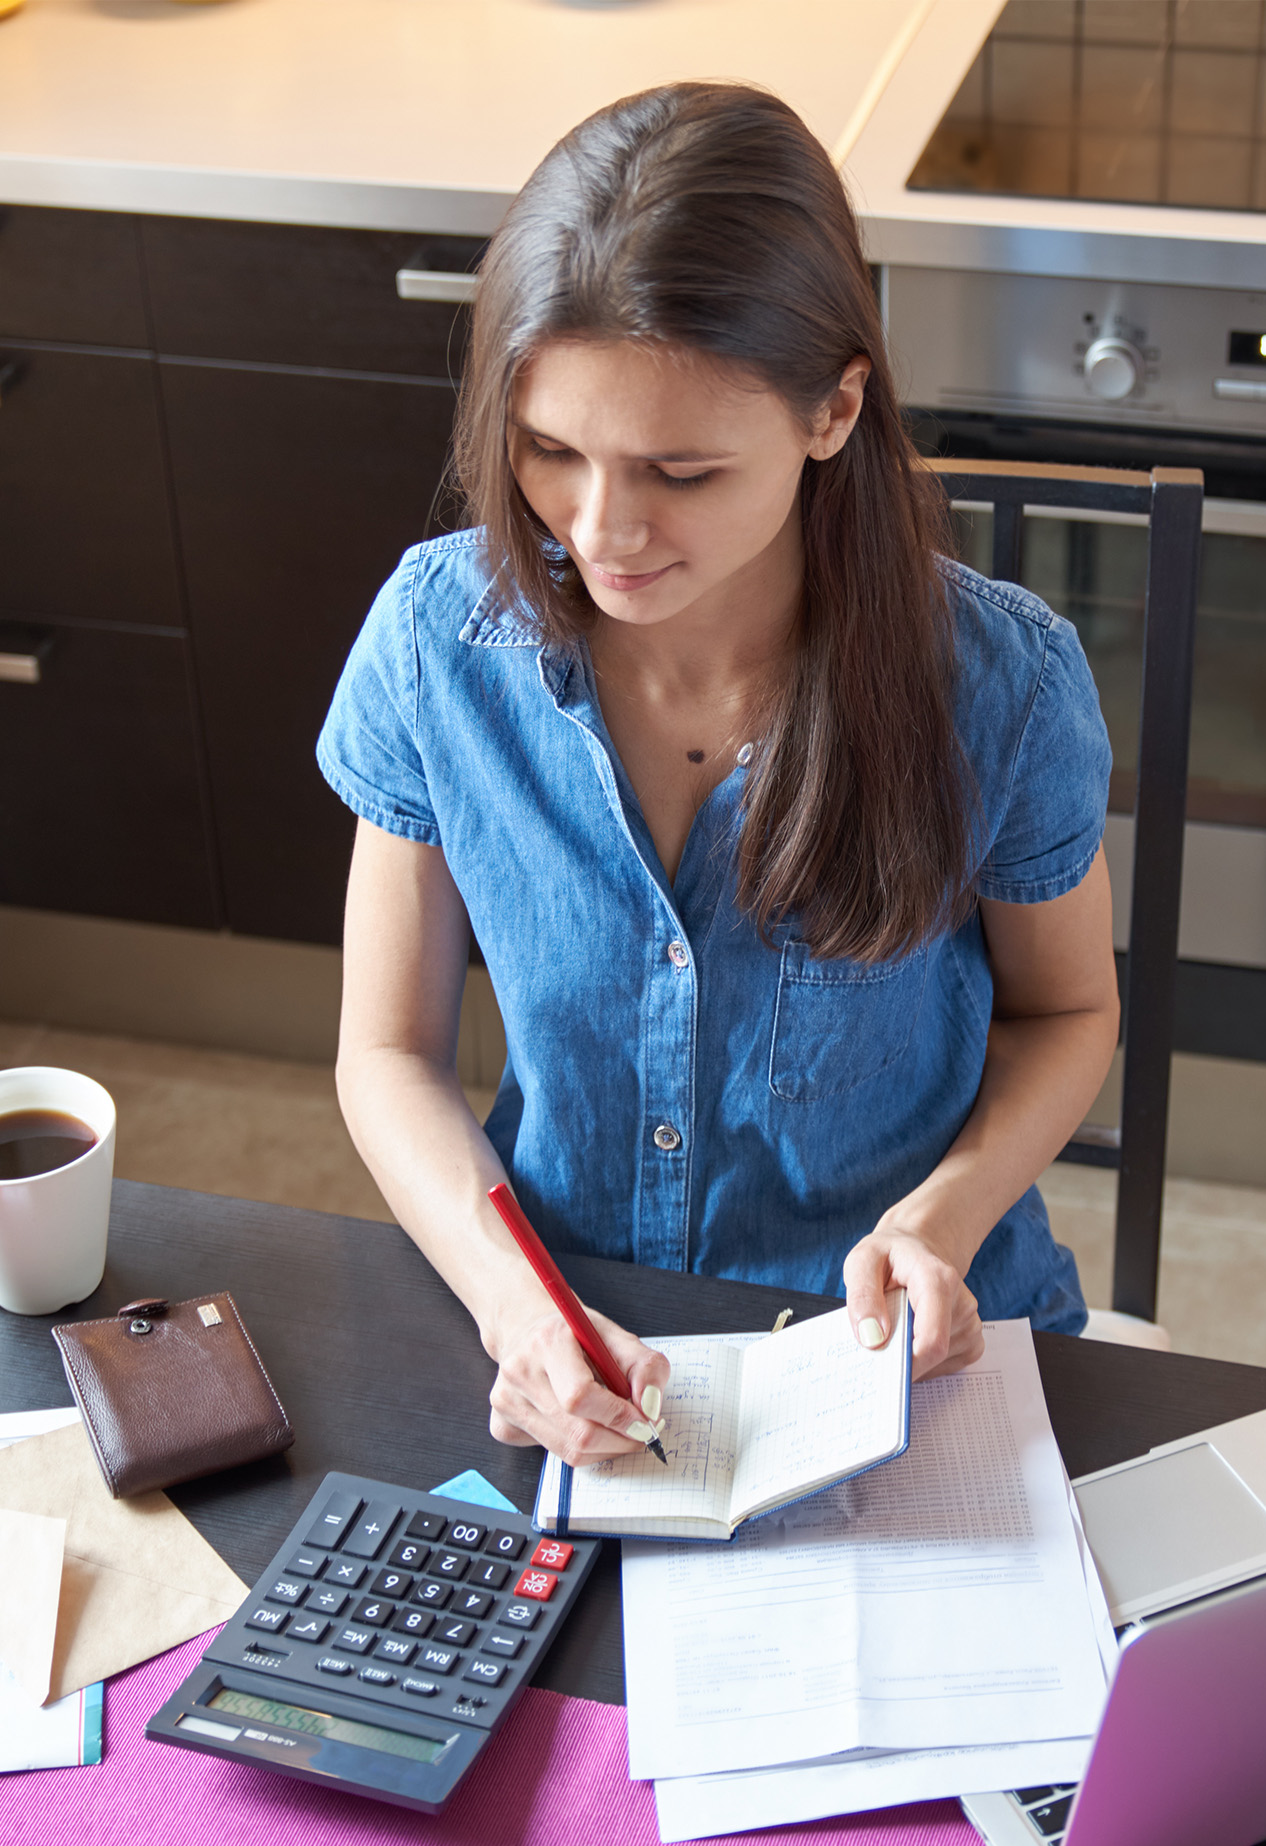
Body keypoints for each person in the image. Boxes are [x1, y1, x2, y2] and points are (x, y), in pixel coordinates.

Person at [319, 82, 1118, 1473]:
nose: (600, 528)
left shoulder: (1001, 686)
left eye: (679, 470)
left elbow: (1066, 1011)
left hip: (902, 1357)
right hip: (580, 1348)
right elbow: (388, 1054)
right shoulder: (438, 643)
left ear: (831, 414)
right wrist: (524, 1310)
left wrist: (936, 1221)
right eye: (549, 450)